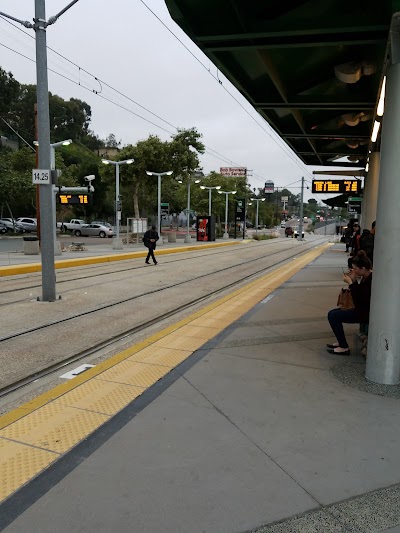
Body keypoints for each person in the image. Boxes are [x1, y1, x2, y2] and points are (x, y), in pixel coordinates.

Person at [327, 250, 373, 355]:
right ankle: (341, 343)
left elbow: (360, 300)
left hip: (364, 313)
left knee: (333, 316)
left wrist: (351, 283)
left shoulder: (371, 280)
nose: (354, 271)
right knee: (334, 313)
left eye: (355, 269)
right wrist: (354, 280)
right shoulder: (367, 276)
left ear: (363, 268)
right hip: (362, 310)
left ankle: (344, 347)